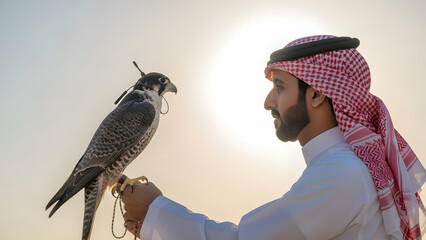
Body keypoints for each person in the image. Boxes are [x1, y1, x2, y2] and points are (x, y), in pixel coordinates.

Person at [119, 35, 426, 240]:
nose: (268, 102)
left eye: (280, 87)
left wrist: (155, 210)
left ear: (317, 94)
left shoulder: (342, 174)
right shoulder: (340, 167)